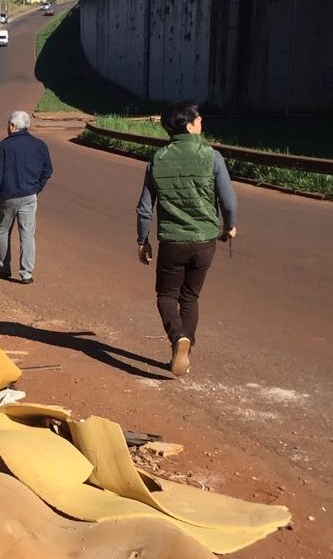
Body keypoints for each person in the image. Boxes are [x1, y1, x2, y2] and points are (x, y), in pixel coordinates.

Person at [135, 101, 238, 377]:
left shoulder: (157, 159)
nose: (201, 120)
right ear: (189, 125)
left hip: (172, 241)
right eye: (197, 119)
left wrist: (142, 240)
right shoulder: (211, 156)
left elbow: (145, 206)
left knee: (166, 295)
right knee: (190, 297)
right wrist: (229, 226)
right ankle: (185, 350)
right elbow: (228, 200)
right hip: (205, 240)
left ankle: (177, 337)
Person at [0, 110, 52, 284]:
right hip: (29, 196)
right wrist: (36, 188)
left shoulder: (3, 146)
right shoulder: (39, 145)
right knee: (27, 235)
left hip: (7, 197)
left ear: (13, 126)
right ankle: (26, 274)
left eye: (8, 124)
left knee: (3, 231)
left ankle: (3, 268)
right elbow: (47, 170)